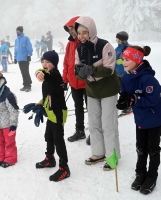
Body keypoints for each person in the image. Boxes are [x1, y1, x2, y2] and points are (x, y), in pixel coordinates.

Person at [116, 45, 161, 195]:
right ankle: (140, 173)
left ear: (137, 60)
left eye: (127, 59)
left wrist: (135, 99)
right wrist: (124, 100)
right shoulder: (126, 78)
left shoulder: (148, 79)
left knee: (152, 148)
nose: (124, 62)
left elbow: (152, 100)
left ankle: (151, 176)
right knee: (140, 147)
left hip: (155, 119)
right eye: (123, 59)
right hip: (140, 120)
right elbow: (125, 94)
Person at [74, 16, 121, 171]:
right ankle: (98, 153)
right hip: (92, 91)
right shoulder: (79, 49)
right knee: (94, 124)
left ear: (91, 31)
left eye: (84, 32)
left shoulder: (104, 45)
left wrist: (91, 69)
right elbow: (78, 70)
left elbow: (109, 69)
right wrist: (81, 73)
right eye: (78, 33)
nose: (81, 36)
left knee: (108, 125)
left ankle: (112, 156)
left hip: (108, 89)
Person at [34, 50, 70, 182]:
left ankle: (64, 168)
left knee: (58, 140)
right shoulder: (47, 76)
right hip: (50, 113)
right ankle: (50, 158)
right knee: (48, 136)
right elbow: (48, 95)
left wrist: (38, 72)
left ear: (54, 64)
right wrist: (41, 103)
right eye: (43, 62)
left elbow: (45, 76)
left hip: (57, 113)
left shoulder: (54, 75)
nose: (44, 64)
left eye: (48, 62)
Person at [62, 16, 89, 145]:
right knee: (78, 107)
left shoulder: (85, 43)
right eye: (69, 29)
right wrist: (65, 80)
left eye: (72, 28)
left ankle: (95, 132)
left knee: (92, 107)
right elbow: (67, 63)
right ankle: (80, 130)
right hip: (74, 83)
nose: (71, 31)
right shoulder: (69, 44)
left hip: (87, 82)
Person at [115, 31, 132, 114]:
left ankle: (128, 106)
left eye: (117, 38)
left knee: (125, 90)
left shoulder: (128, 48)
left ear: (121, 40)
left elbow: (128, 59)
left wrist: (119, 61)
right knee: (119, 90)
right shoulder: (118, 48)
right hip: (117, 72)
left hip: (124, 73)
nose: (116, 40)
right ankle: (123, 103)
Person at [14, 26, 33, 92]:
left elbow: (29, 47)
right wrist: (15, 58)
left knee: (26, 72)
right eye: (16, 31)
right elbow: (16, 50)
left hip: (25, 58)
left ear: (21, 31)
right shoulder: (16, 40)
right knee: (22, 72)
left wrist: (29, 55)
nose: (17, 32)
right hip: (19, 59)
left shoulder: (26, 38)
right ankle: (25, 84)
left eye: (18, 31)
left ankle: (28, 85)